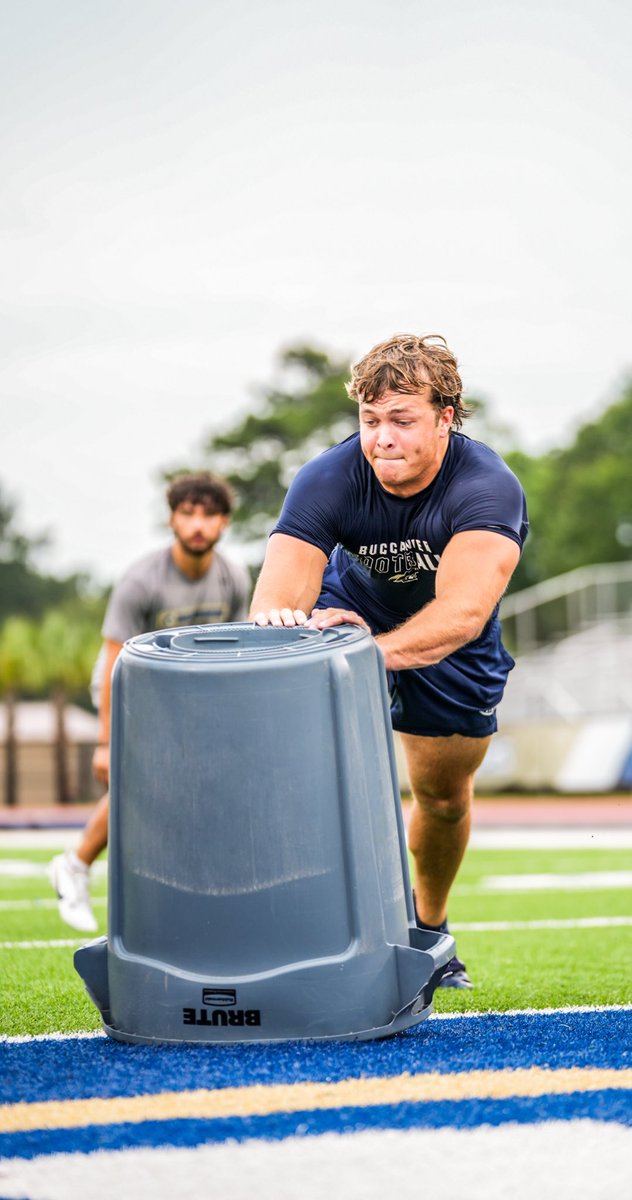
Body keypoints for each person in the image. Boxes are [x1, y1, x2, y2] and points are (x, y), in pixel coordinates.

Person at [250, 333, 528, 988]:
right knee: (294, 772)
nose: (382, 438)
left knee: (442, 796)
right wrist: (295, 634)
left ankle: (428, 931)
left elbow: (459, 616)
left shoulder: (488, 486)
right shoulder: (327, 477)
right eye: (370, 421)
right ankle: (291, 924)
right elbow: (274, 601)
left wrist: (363, 653)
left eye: (401, 420)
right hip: (348, 608)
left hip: (451, 644)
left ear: (445, 419)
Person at [48, 471, 251, 932]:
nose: (198, 525)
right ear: (172, 521)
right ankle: (75, 864)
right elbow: (114, 658)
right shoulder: (141, 579)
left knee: (189, 786)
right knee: (141, 783)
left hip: (186, 689)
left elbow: (236, 649)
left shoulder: (233, 575)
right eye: (188, 514)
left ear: (224, 522)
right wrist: (105, 741)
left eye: (209, 515)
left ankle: (168, 888)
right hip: (129, 683)